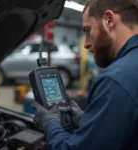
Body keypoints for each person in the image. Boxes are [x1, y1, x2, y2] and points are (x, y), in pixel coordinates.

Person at [31, 0, 138, 149]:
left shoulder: (115, 80)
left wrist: (50, 125)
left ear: (109, 20)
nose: (86, 44)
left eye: (87, 30)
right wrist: (88, 121)